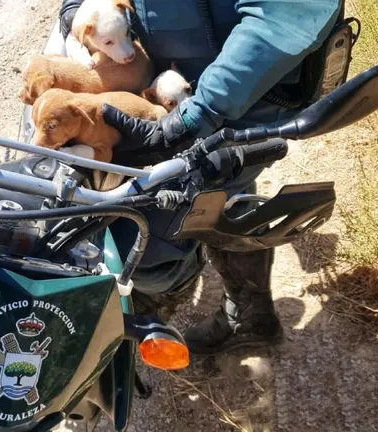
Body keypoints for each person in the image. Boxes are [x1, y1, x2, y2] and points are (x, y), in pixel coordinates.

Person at [59, 0, 343, 355]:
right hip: (169, 82)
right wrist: (76, 12)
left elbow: (290, 13)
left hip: (244, 96)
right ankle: (246, 307)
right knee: (209, 191)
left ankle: (182, 288)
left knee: (143, 230)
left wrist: (197, 113)